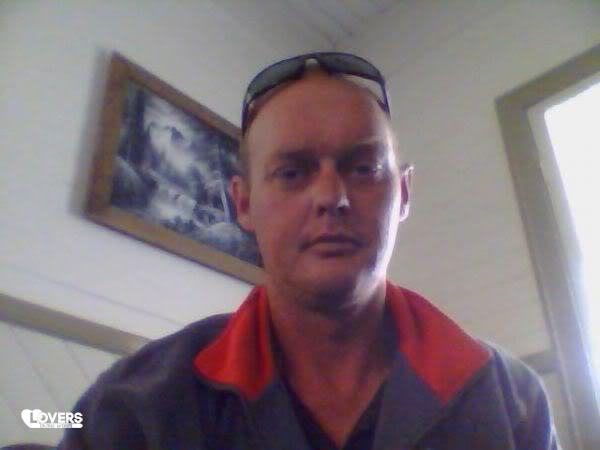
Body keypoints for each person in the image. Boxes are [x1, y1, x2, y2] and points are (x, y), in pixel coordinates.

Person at [58, 53, 560, 449]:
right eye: (292, 172)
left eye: (362, 168)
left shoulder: (512, 400)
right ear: (244, 204)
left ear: (403, 194)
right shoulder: (132, 406)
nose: (331, 196)